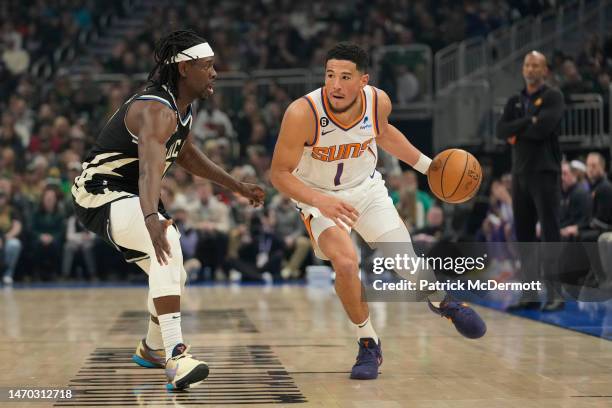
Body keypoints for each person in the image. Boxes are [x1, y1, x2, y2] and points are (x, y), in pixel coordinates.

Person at [270, 43, 485, 381]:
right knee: (345, 263)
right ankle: (368, 342)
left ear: (363, 81)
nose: (335, 85)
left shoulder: (377, 101)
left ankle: (441, 300)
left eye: (345, 77)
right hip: (319, 198)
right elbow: (278, 174)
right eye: (330, 76)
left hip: (367, 191)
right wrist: (321, 201)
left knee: (406, 265)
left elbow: (383, 134)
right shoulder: (302, 113)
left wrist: (428, 166)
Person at [72, 30, 264, 390]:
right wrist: (151, 220)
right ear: (184, 68)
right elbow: (148, 169)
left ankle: (151, 348)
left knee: (174, 272)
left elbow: (186, 154)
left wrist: (236, 186)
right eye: (207, 66)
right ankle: (177, 355)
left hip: (133, 196)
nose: (214, 73)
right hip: (102, 192)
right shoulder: (155, 108)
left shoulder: (180, 108)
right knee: (167, 241)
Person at [496, 51, 565, 309]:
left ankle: (555, 293)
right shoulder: (515, 100)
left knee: (550, 233)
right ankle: (530, 293)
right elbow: (501, 130)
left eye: (536, 65)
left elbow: (543, 129)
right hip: (520, 173)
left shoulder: (553, 96)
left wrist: (518, 129)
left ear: (545, 70)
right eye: (527, 64)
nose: (531, 69)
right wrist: (527, 121)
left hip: (545, 172)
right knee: (523, 235)